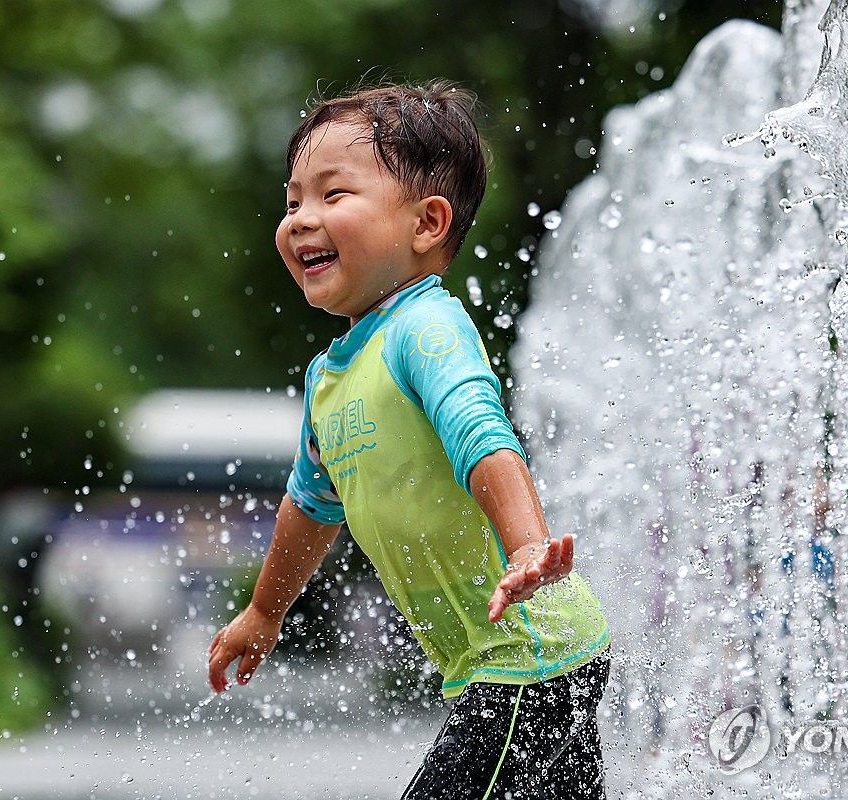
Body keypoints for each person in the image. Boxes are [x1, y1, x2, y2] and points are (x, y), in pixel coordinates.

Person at [206, 81, 611, 799]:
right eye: (294, 199)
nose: (301, 219)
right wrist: (265, 611)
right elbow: (310, 506)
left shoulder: (425, 330)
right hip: (510, 659)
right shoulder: (330, 379)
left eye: (333, 196)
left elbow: (484, 437)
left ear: (426, 223)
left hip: (529, 653)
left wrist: (526, 546)